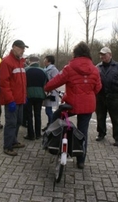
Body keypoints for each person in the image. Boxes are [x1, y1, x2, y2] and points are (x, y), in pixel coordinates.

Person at [44, 41, 102, 169]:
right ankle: (81, 161)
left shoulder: (69, 68)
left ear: (75, 54)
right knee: (83, 132)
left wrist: (46, 87)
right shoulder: (94, 69)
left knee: (56, 117)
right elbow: (98, 88)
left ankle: (52, 142)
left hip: (72, 104)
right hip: (88, 106)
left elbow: (56, 81)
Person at [0, 40, 28, 156]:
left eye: (23, 48)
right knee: (11, 123)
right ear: (14, 47)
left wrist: (25, 96)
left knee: (18, 121)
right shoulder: (6, 62)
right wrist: (10, 100)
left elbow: (22, 82)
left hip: (20, 99)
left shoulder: (21, 62)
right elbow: (4, 84)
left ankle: (14, 141)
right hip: (12, 101)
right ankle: (8, 146)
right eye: (20, 48)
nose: (23, 50)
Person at [95, 47, 118, 146]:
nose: (102, 57)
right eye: (101, 55)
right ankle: (101, 133)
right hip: (100, 96)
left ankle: (117, 138)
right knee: (100, 116)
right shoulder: (97, 67)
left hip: (114, 97)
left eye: (104, 55)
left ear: (110, 55)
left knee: (116, 119)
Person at [23, 55, 48, 140]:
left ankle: (30, 134)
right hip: (40, 95)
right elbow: (46, 83)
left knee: (29, 115)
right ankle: (38, 134)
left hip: (28, 95)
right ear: (38, 61)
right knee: (38, 114)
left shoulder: (25, 70)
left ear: (30, 61)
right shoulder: (43, 71)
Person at [42, 55, 59, 132]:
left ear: (49, 61)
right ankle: (50, 124)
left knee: (48, 110)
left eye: (45, 59)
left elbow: (56, 81)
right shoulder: (45, 69)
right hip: (46, 92)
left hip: (51, 93)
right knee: (47, 110)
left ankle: (52, 125)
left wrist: (49, 87)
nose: (44, 61)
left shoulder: (53, 70)